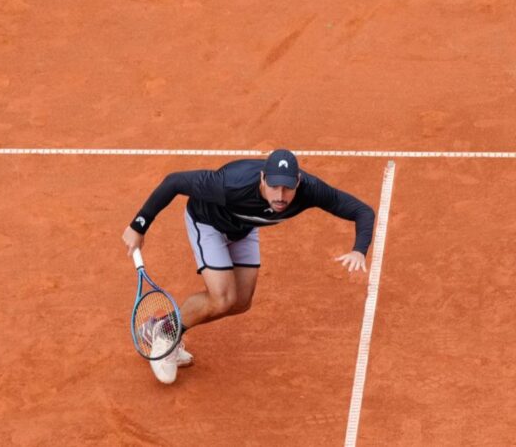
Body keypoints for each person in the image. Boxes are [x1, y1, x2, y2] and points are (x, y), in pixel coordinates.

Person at [121, 149, 375, 384]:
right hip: (207, 222)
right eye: (274, 186)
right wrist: (138, 226)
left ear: (298, 181)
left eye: (287, 188)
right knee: (222, 298)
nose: (280, 195)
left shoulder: (311, 190)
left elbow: (362, 211)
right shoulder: (230, 183)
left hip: (242, 229)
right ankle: (165, 333)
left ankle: (159, 327)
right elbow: (174, 181)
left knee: (241, 301)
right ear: (262, 178)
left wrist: (358, 250)